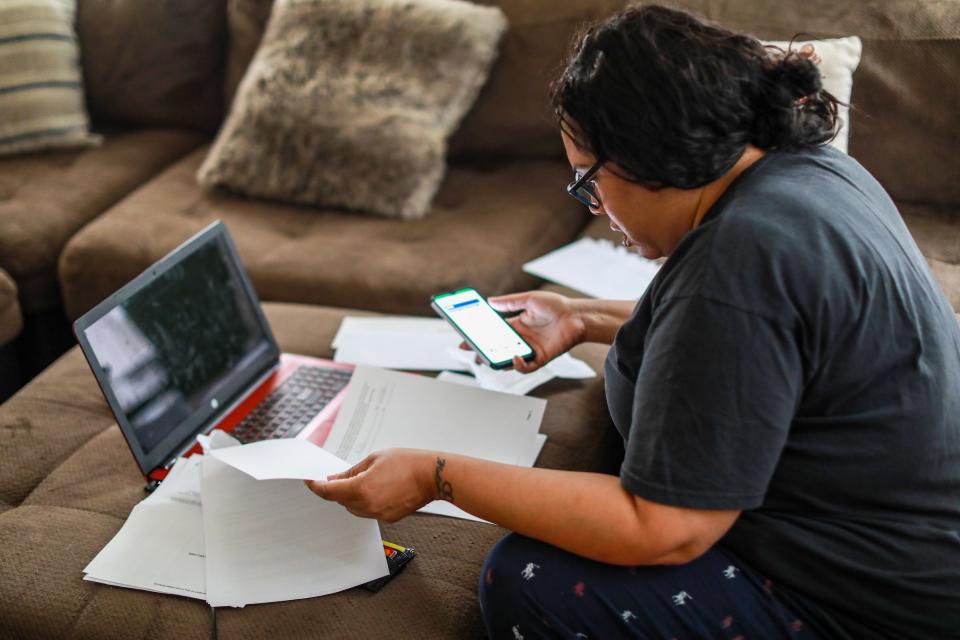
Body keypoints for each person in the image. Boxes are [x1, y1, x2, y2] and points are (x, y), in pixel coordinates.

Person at [306, 5, 960, 638]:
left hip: (878, 598)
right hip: (918, 533)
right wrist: (580, 317)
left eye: (587, 182)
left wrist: (436, 475)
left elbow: (665, 529)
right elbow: (748, 342)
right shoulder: (811, 169)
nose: (595, 206)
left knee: (527, 576)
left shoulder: (738, 262)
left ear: (644, 155)